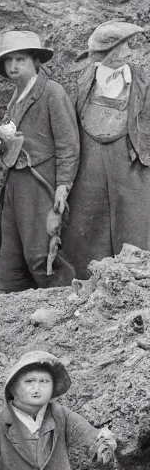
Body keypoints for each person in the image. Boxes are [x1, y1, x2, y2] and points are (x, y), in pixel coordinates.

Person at [0, 31, 80, 293]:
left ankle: (64, 304)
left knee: (41, 253)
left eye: (20, 59)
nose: (13, 66)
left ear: (35, 61)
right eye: (8, 60)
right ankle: (5, 309)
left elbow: (68, 145)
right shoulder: (17, 95)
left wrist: (63, 187)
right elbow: (11, 131)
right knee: (11, 255)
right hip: (14, 182)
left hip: (40, 180)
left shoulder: (51, 92)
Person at [61, 21, 150, 279]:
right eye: (122, 46)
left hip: (132, 168)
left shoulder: (143, 82)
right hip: (90, 169)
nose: (128, 52)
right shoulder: (80, 84)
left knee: (135, 231)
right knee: (86, 232)